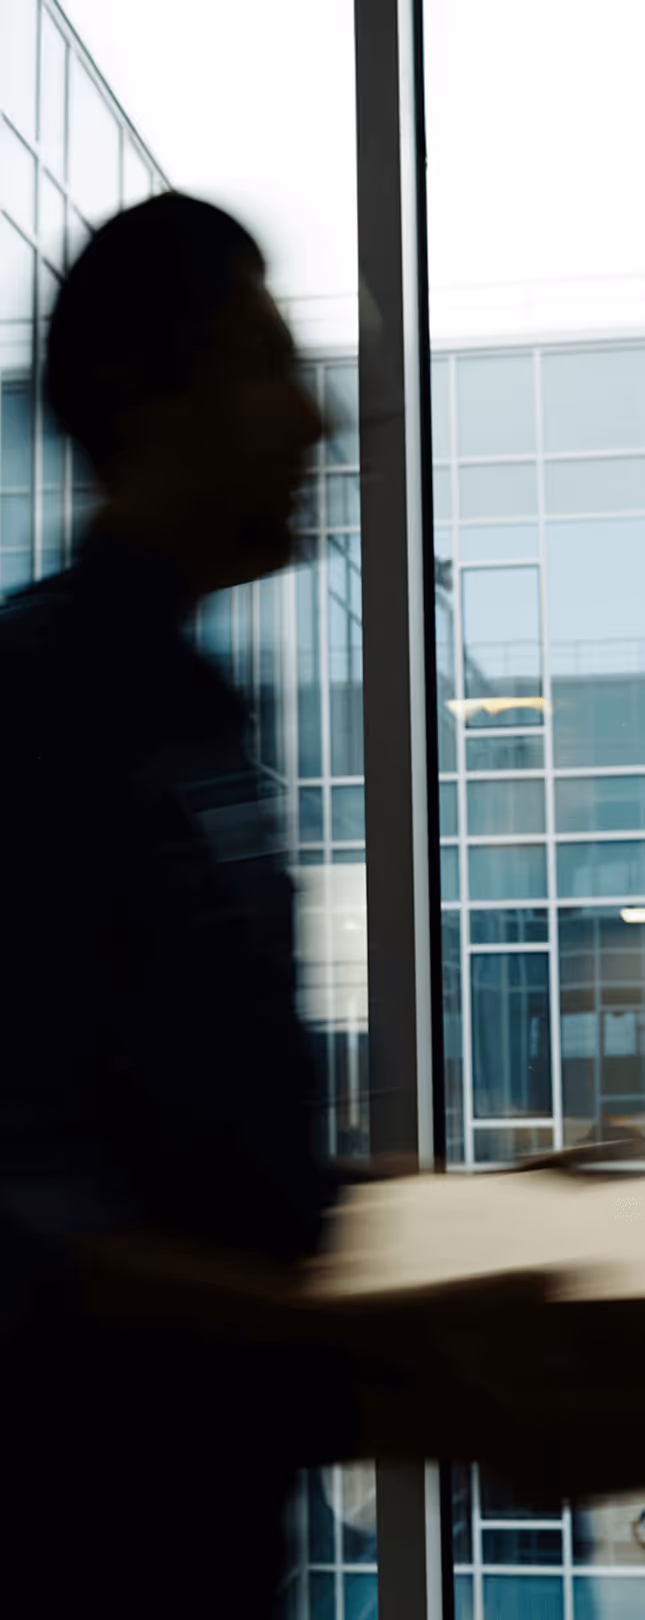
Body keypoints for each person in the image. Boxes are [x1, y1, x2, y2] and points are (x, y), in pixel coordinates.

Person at [0, 193, 342, 1615]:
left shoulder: (188, 713)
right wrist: (399, 1358)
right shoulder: (46, 717)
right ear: (151, 400)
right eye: (266, 362)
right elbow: (29, 1214)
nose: (315, 420)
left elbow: (197, 1147)